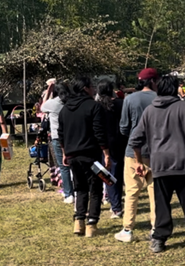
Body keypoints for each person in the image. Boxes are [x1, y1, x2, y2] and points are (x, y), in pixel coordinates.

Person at [129, 75, 185, 253]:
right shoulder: (184, 107)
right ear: (175, 89)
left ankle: (159, 238)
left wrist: (138, 162)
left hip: (159, 165)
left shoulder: (150, 111)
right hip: (183, 162)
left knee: (162, 204)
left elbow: (135, 139)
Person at [58, 76, 110, 238]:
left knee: (79, 188)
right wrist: (106, 153)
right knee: (95, 189)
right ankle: (91, 224)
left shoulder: (65, 109)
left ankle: (78, 222)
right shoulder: (94, 107)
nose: (94, 89)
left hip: (72, 155)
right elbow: (99, 132)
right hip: (90, 154)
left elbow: (61, 134)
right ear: (85, 88)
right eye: (92, 86)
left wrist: (65, 153)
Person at [115, 68, 159, 243]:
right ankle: (156, 227)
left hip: (133, 152)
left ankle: (127, 229)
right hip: (156, 152)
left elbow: (124, 127)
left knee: (132, 191)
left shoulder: (130, 99)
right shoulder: (159, 99)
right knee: (155, 192)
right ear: (154, 81)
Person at [97, 80, 128, 219]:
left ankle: (114, 205)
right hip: (121, 141)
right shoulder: (121, 103)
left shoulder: (97, 106)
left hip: (103, 143)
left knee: (106, 173)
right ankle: (116, 201)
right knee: (119, 172)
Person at [41, 80, 73, 203]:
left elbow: (43, 105)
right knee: (74, 164)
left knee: (63, 166)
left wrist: (49, 88)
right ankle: (76, 190)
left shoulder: (52, 103)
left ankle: (68, 193)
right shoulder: (71, 102)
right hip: (72, 136)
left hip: (57, 137)